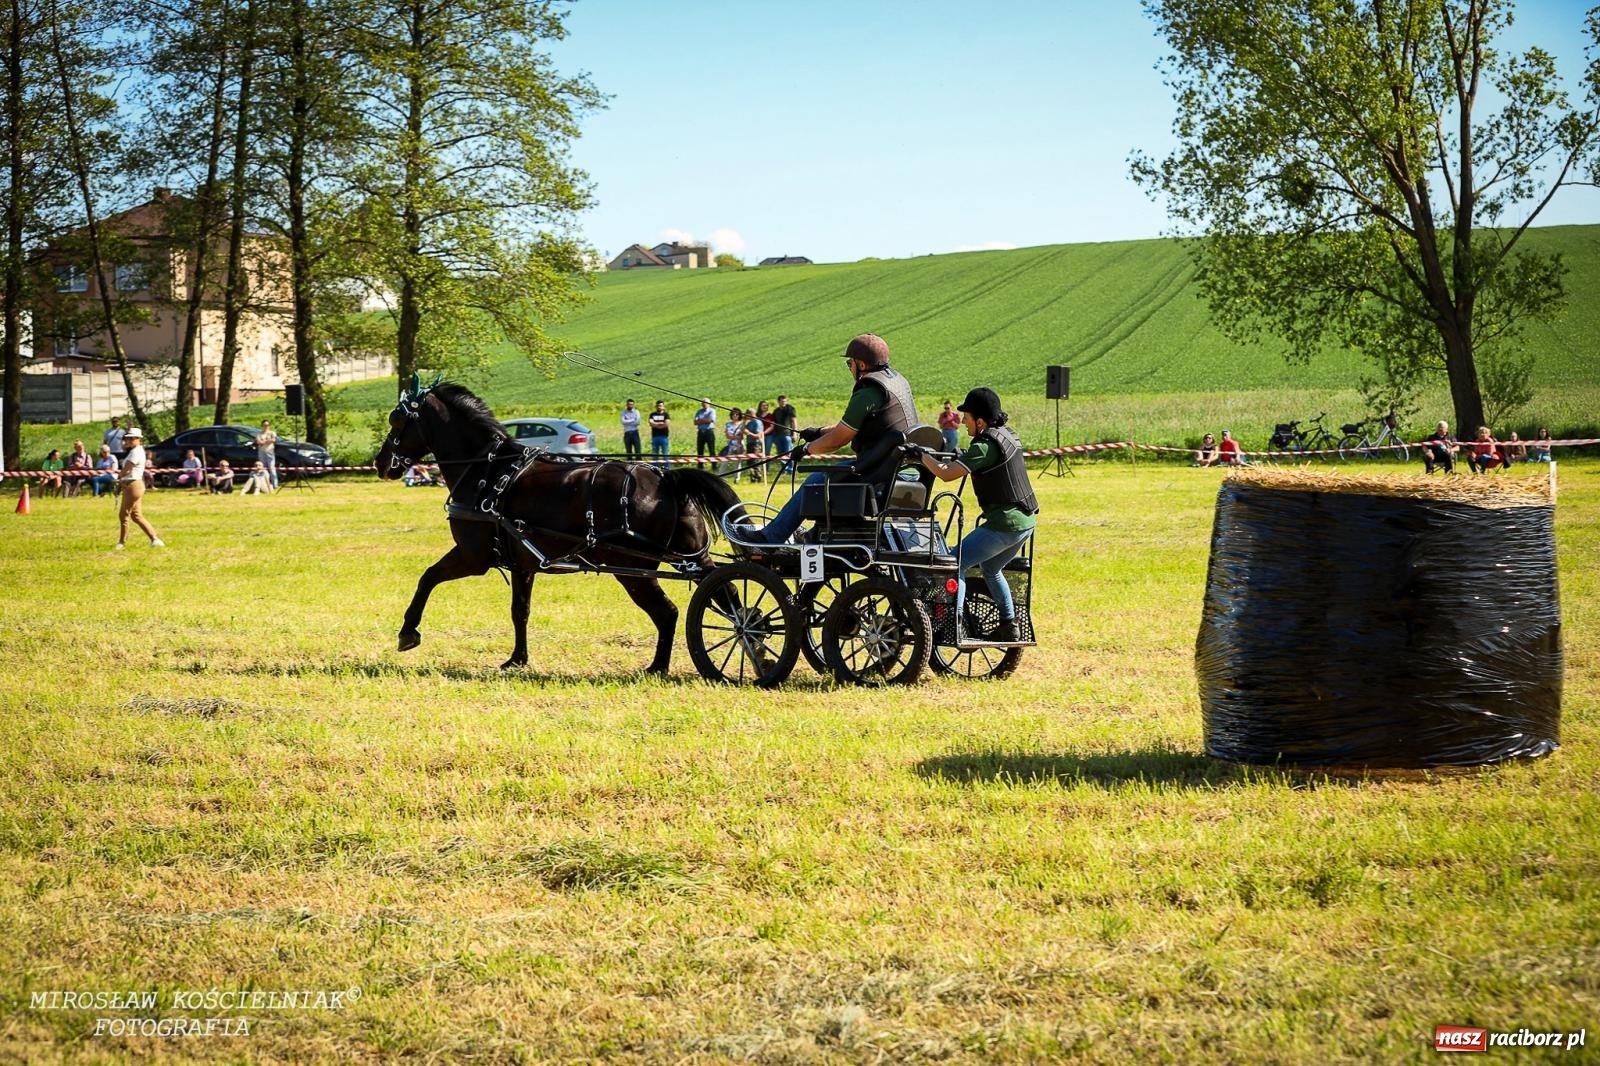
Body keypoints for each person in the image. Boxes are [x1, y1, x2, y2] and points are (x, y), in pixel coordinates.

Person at [740, 332, 919, 546]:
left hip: (879, 473)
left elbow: (839, 439)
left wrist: (807, 449)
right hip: (907, 471)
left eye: (850, 363)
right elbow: (850, 428)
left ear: (861, 364)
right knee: (830, 481)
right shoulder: (897, 382)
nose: (850, 367)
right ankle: (814, 535)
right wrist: (817, 432)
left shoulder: (868, 391)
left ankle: (771, 538)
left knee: (815, 482)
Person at [917, 387, 1037, 644]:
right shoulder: (1005, 436)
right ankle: (1009, 626)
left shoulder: (984, 446)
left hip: (1005, 523)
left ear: (981, 422)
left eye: (967, 418)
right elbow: (983, 461)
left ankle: (953, 623)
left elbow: (947, 474)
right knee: (991, 568)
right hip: (1026, 522)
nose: (962, 422)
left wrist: (921, 456)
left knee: (953, 563)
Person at [114, 427, 163, 549]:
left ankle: (121, 543)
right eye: (127, 438)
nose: (128, 440)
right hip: (133, 484)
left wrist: (118, 478)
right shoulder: (135, 451)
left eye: (131, 438)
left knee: (123, 515)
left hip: (132, 485)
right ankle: (155, 540)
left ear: (138, 439)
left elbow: (127, 469)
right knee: (136, 515)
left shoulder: (136, 452)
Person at [770, 394, 797, 468]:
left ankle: (791, 469)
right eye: (782, 401)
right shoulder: (776, 411)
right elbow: (773, 423)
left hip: (787, 435)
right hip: (778, 435)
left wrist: (794, 433)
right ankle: (784, 468)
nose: (783, 403)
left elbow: (794, 421)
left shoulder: (790, 409)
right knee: (780, 454)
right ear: (778, 402)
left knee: (789, 452)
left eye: (785, 401)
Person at [743, 404, 766, 482]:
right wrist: (744, 421)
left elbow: (758, 436)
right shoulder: (749, 423)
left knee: (755, 462)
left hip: (756, 444)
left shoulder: (757, 422)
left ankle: (758, 477)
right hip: (749, 444)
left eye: (748, 414)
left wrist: (749, 433)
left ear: (752, 414)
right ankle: (753, 478)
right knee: (750, 462)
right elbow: (743, 430)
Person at [722, 407, 746, 481]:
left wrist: (733, 437)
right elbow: (727, 435)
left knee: (737, 463)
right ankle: (720, 476)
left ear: (739, 415)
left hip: (739, 445)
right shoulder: (727, 424)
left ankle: (737, 478)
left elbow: (741, 436)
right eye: (733, 414)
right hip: (729, 445)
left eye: (737, 414)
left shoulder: (742, 424)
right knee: (724, 461)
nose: (735, 415)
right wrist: (736, 436)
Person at [255, 419, 279, 489]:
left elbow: (273, 440)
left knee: (272, 469)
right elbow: (259, 442)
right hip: (261, 452)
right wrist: (267, 441)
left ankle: (275, 485)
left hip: (270, 452)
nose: (266, 426)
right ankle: (263, 484)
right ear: (262, 426)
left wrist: (264, 441)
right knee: (262, 468)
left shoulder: (272, 433)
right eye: (264, 425)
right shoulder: (259, 434)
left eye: (267, 425)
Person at [648, 400, 670, 466]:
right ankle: (655, 468)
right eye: (658, 406)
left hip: (664, 437)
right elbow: (651, 423)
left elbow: (667, 424)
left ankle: (667, 468)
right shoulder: (652, 414)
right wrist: (660, 424)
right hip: (655, 436)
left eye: (660, 406)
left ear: (663, 407)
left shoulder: (666, 414)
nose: (659, 407)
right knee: (655, 454)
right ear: (656, 406)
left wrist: (656, 425)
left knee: (665, 454)